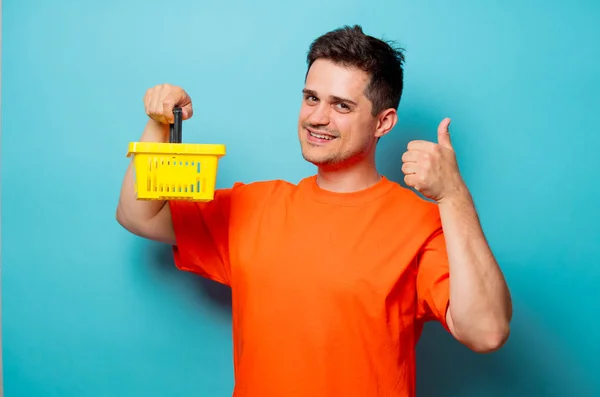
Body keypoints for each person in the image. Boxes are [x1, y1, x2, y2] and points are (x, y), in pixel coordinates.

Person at [116, 25, 512, 397]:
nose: (317, 117)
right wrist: (158, 126)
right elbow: (139, 215)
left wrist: (453, 196)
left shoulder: (419, 224)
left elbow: (486, 331)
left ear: (383, 122)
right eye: (311, 98)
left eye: (341, 105)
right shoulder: (253, 206)